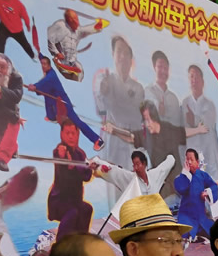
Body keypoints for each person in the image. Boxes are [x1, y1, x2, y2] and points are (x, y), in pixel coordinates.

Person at [28, 53, 104, 150]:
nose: (43, 66)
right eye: (42, 64)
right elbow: (42, 59)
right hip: (55, 99)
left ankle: (98, 140)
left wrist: (35, 86)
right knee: (47, 95)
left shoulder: (51, 76)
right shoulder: (48, 72)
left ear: (49, 65)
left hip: (63, 102)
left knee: (77, 122)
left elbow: (44, 82)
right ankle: (51, 116)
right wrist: (39, 54)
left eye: (45, 64)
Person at [98, 35, 144, 180]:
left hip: (131, 147)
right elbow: (102, 109)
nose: (123, 57)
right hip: (112, 146)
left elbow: (134, 116)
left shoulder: (138, 88)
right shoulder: (105, 81)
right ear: (113, 55)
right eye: (119, 52)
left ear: (131, 59)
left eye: (126, 53)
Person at [48, 120, 93, 241]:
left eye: (73, 133)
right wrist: (63, 159)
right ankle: (59, 245)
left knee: (87, 209)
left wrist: (75, 167)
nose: (71, 136)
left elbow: (87, 176)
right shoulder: (58, 152)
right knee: (72, 212)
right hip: (59, 201)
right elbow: (63, 178)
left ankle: (81, 242)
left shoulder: (81, 154)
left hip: (75, 201)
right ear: (61, 134)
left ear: (78, 135)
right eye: (67, 133)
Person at [180, 63, 218, 181]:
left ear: (202, 82)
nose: (194, 80)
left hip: (207, 158)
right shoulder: (184, 103)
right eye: (191, 77)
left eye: (196, 77)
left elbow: (205, 125)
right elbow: (181, 132)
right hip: (191, 160)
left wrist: (194, 119)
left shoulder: (210, 105)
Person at [0, 52, 24, 172]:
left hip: (10, 114)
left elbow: (17, 97)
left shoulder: (17, 78)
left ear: (9, 70)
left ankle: (1, 159)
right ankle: (12, 149)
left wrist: (0, 88)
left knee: (13, 127)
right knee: (2, 141)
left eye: (3, 67)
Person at [46, 9, 103, 81]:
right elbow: (50, 40)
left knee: (80, 73)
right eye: (76, 19)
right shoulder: (60, 26)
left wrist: (98, 25)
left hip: (72, 62)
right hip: (61, 61)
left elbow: (87, 30)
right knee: (65, 72)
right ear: (70, 20)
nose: (78, 22)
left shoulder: (77, 30)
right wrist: (56, 53)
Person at [174, 148, 218, 239]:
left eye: (191, 159)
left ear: (197, 162)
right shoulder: (181, 177)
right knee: (185, 235)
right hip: (186, 217)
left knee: (216, 232)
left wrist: (207, 193)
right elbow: (181, 188)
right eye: (187, 159)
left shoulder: (202, 175)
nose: (189, 162)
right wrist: (186, 174)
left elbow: (214, 186)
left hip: (201, 217)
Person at [92, 150, 175, 197]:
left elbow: (170, 161)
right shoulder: (130, 178)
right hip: (138, 217)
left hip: (154, 216)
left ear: (144, 164)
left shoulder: (154, 175)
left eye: (138, 164)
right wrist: (98, 162)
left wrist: (170, 156)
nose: (136, 168)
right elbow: (115, 170)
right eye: (134, 165)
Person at [144, 50, 182, 126]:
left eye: (166, 68)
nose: (163, 71)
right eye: (160, 67)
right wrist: (158, 107)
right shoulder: (148, 91)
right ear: (154, 68)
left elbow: (177, 124)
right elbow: (151, 104)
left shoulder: (174, 98)